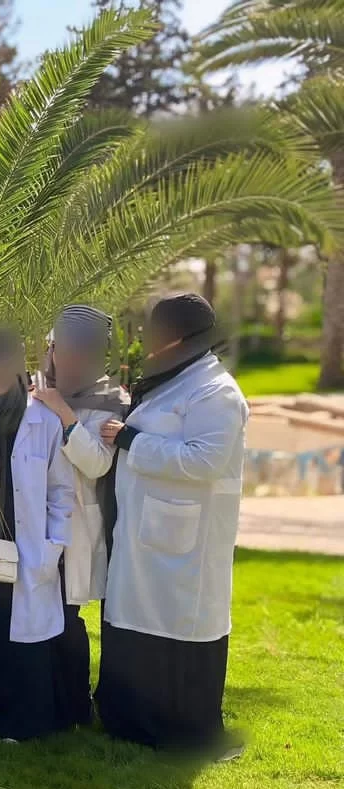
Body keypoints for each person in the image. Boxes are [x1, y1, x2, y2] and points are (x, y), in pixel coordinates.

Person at [97, 293, 248, 754]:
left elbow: (204, 461)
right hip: (145, 536)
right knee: (134, 618)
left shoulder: (216, 392)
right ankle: (128, 721)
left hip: (186, 543)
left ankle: (178, 731)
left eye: (155, 334)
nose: (148, 343)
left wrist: (131, 440)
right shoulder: (176, 381)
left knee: (177, 624)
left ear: (179, 339)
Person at [0, 328, 74, 742]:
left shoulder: (42, 419)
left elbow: (61, 490)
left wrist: (54, 543)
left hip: (27, 544)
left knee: (23, 636)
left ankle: (24, 721)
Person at [33, 305, 128, 728]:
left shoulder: (111, 400)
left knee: (67, 619)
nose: (69, 361)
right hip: (33, 521)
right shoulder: (36, 391)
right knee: (35, 614)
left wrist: (64, 413)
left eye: (80, 354)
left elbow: (97, 464)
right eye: (63, 351)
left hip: (75, 527)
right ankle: (42, 702)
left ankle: (74, 708)